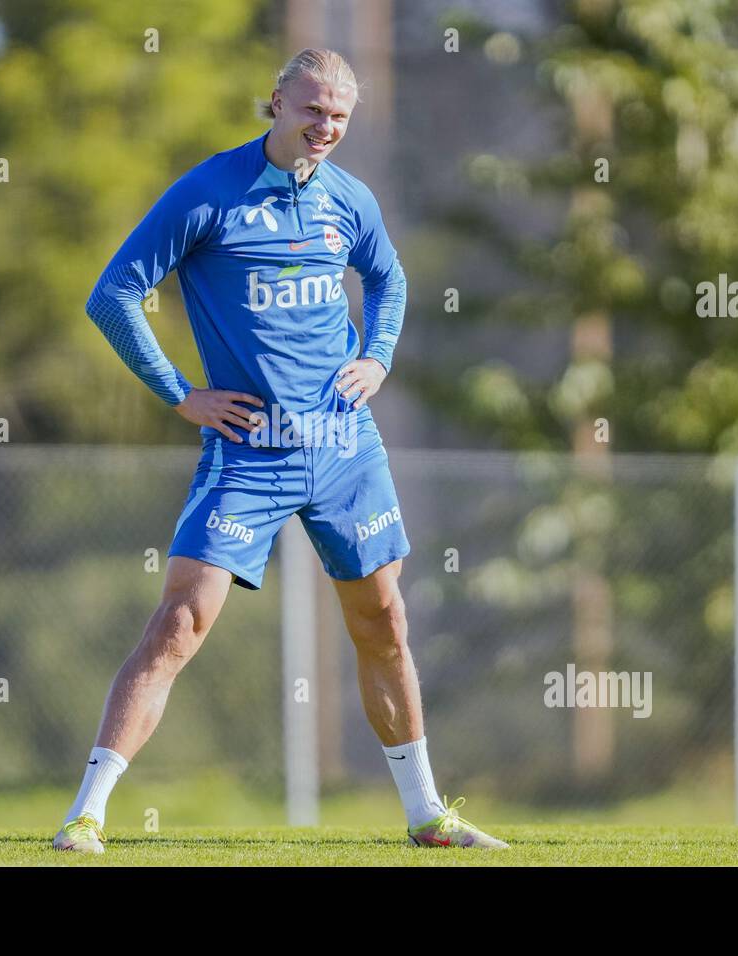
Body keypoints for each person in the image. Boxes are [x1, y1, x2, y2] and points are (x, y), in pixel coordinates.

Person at [55, 48, 507, 853]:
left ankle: (427, 814)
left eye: (338, 115)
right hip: (248, 450)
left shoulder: (350, 198)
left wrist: (380, 353)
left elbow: (390, 280)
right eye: (311, 110)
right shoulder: (208, 192)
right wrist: (182, 395)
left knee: (385, 622)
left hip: (343, 444)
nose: (324, 127)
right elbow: (114, 294)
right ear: (273, 104)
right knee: (181, 622)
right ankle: (86, 813)